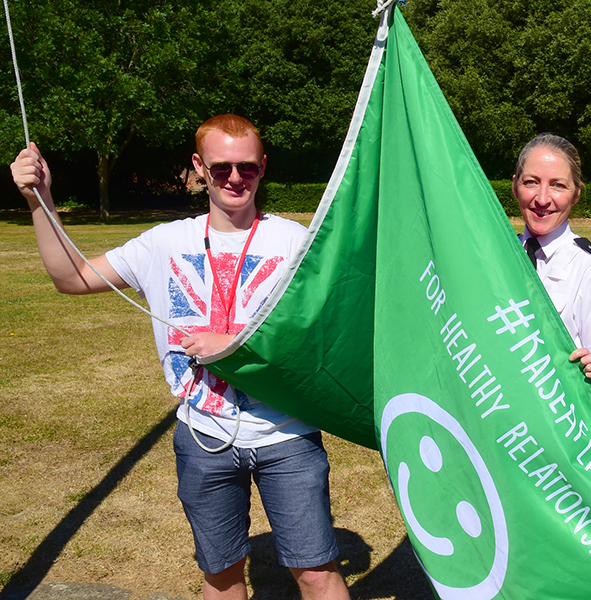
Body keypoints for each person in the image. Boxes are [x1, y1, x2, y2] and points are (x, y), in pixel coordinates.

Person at [10, 115, 351, 600]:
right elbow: (72, 278)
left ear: (263, 168)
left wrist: (232, 345)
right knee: (222, 575)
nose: (235, 178)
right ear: (198, 167)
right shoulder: (163, 243)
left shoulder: (298, 244)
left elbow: (329, 339)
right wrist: (38, 201)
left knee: (317, 573)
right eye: (220, 167)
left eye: (248, 168)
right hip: (203, 437)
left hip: (287, 437)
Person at [512, 133, 591, 404]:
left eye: (558, 185)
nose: (542, 198)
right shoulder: (498, 254)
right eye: (531, 182)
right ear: (515, 187)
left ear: (576, 194)